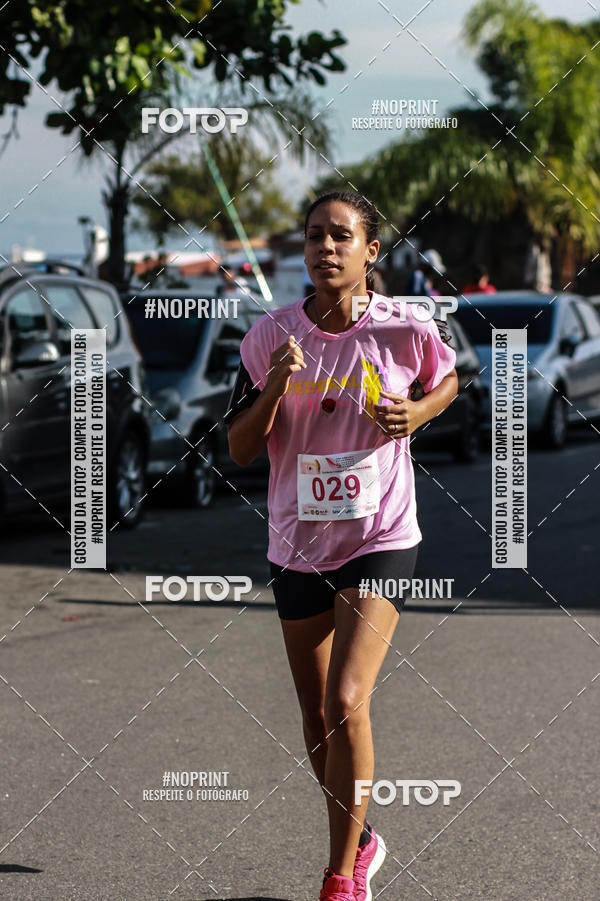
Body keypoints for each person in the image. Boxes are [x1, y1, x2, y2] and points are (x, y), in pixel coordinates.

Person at [225, 191, 458, 901]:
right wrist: (273, 388)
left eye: (341, 237)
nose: (326, 247)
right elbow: (238, 448)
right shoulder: (270, 337)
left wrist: (413, 412)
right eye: (314, 236)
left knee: (347, 698)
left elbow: (445, 379)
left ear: (370, 252)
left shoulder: (402, 328)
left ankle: (339, 877)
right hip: (298, 542)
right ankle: (363, 836)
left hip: (381, 534)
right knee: (315, 718)